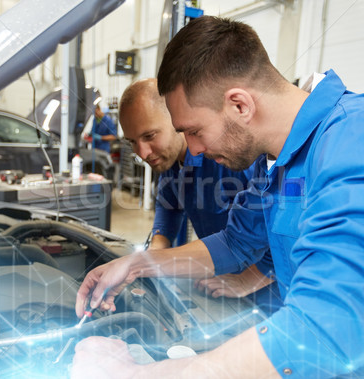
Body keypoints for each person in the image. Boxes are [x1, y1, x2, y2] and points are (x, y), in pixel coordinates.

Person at [72, 16, 364, 378]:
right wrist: (139, 264)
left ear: (240, 104)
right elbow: (235, 244)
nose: (192, 150)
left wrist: (138, 374)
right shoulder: (275, 165)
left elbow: (325, 328)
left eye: (194, 130)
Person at [119, 78, 277, 303]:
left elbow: (284, 226)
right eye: (132, 141)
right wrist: (156, 251)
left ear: (176, 120)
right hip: (220, 282)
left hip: (268, 294)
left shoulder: (227, 157)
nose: (142, 152)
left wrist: (250, 279)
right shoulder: (171, 164)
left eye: (150, 136)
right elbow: (169, 207)